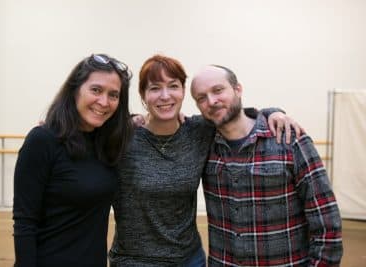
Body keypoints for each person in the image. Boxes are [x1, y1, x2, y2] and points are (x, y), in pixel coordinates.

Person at [109, 55, 302, 266]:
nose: (165, 96)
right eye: (155, 88)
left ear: (183, 92)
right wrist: (130, 118)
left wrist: (272, 113)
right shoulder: (123, 139)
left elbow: (234, 114)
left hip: (189, 259)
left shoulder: (199, 131)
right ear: (143, 96)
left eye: (173, 86)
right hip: (134, 261)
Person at [190, 65, 343, 266]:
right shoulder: (202, 142)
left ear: (238, 89)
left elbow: (327, 225)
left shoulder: (289, 140)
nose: (211, 101)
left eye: (218, 90)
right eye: (201, 98)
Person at [12, 54, 133, 267]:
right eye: (96, 90)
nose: (104, 102)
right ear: (75, 89)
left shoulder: (107, 143)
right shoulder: (43, 140)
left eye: (113, 95)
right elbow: (25, 223)